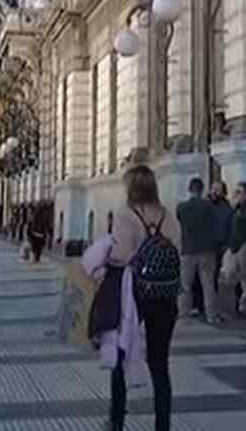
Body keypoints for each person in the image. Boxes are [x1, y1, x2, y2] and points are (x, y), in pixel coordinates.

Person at [95, 164, 181, 431]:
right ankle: (162, 425)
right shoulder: (169, 215)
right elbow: (178, 250)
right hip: (165, 295)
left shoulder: (125, 215)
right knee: (160, 363)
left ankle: (117, 419)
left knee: (121, 357)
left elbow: (121, 256)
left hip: (134, 295)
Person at [175, 178, 220, 323]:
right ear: (202, 189)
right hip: (207, 249)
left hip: (188, 248)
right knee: (208, 283)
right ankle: (211, 314)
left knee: (185, 284)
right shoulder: (209, 206)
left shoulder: (182, 207)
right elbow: (214, 223)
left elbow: (181, 221)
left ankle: (183, 313)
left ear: (189, 189)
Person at [219, 181, 246, 318]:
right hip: (236, 246)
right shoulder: (238, 208)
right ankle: (238, 303)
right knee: (230, 273)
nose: (236, 195)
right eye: (235, 192)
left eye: (239, 192)